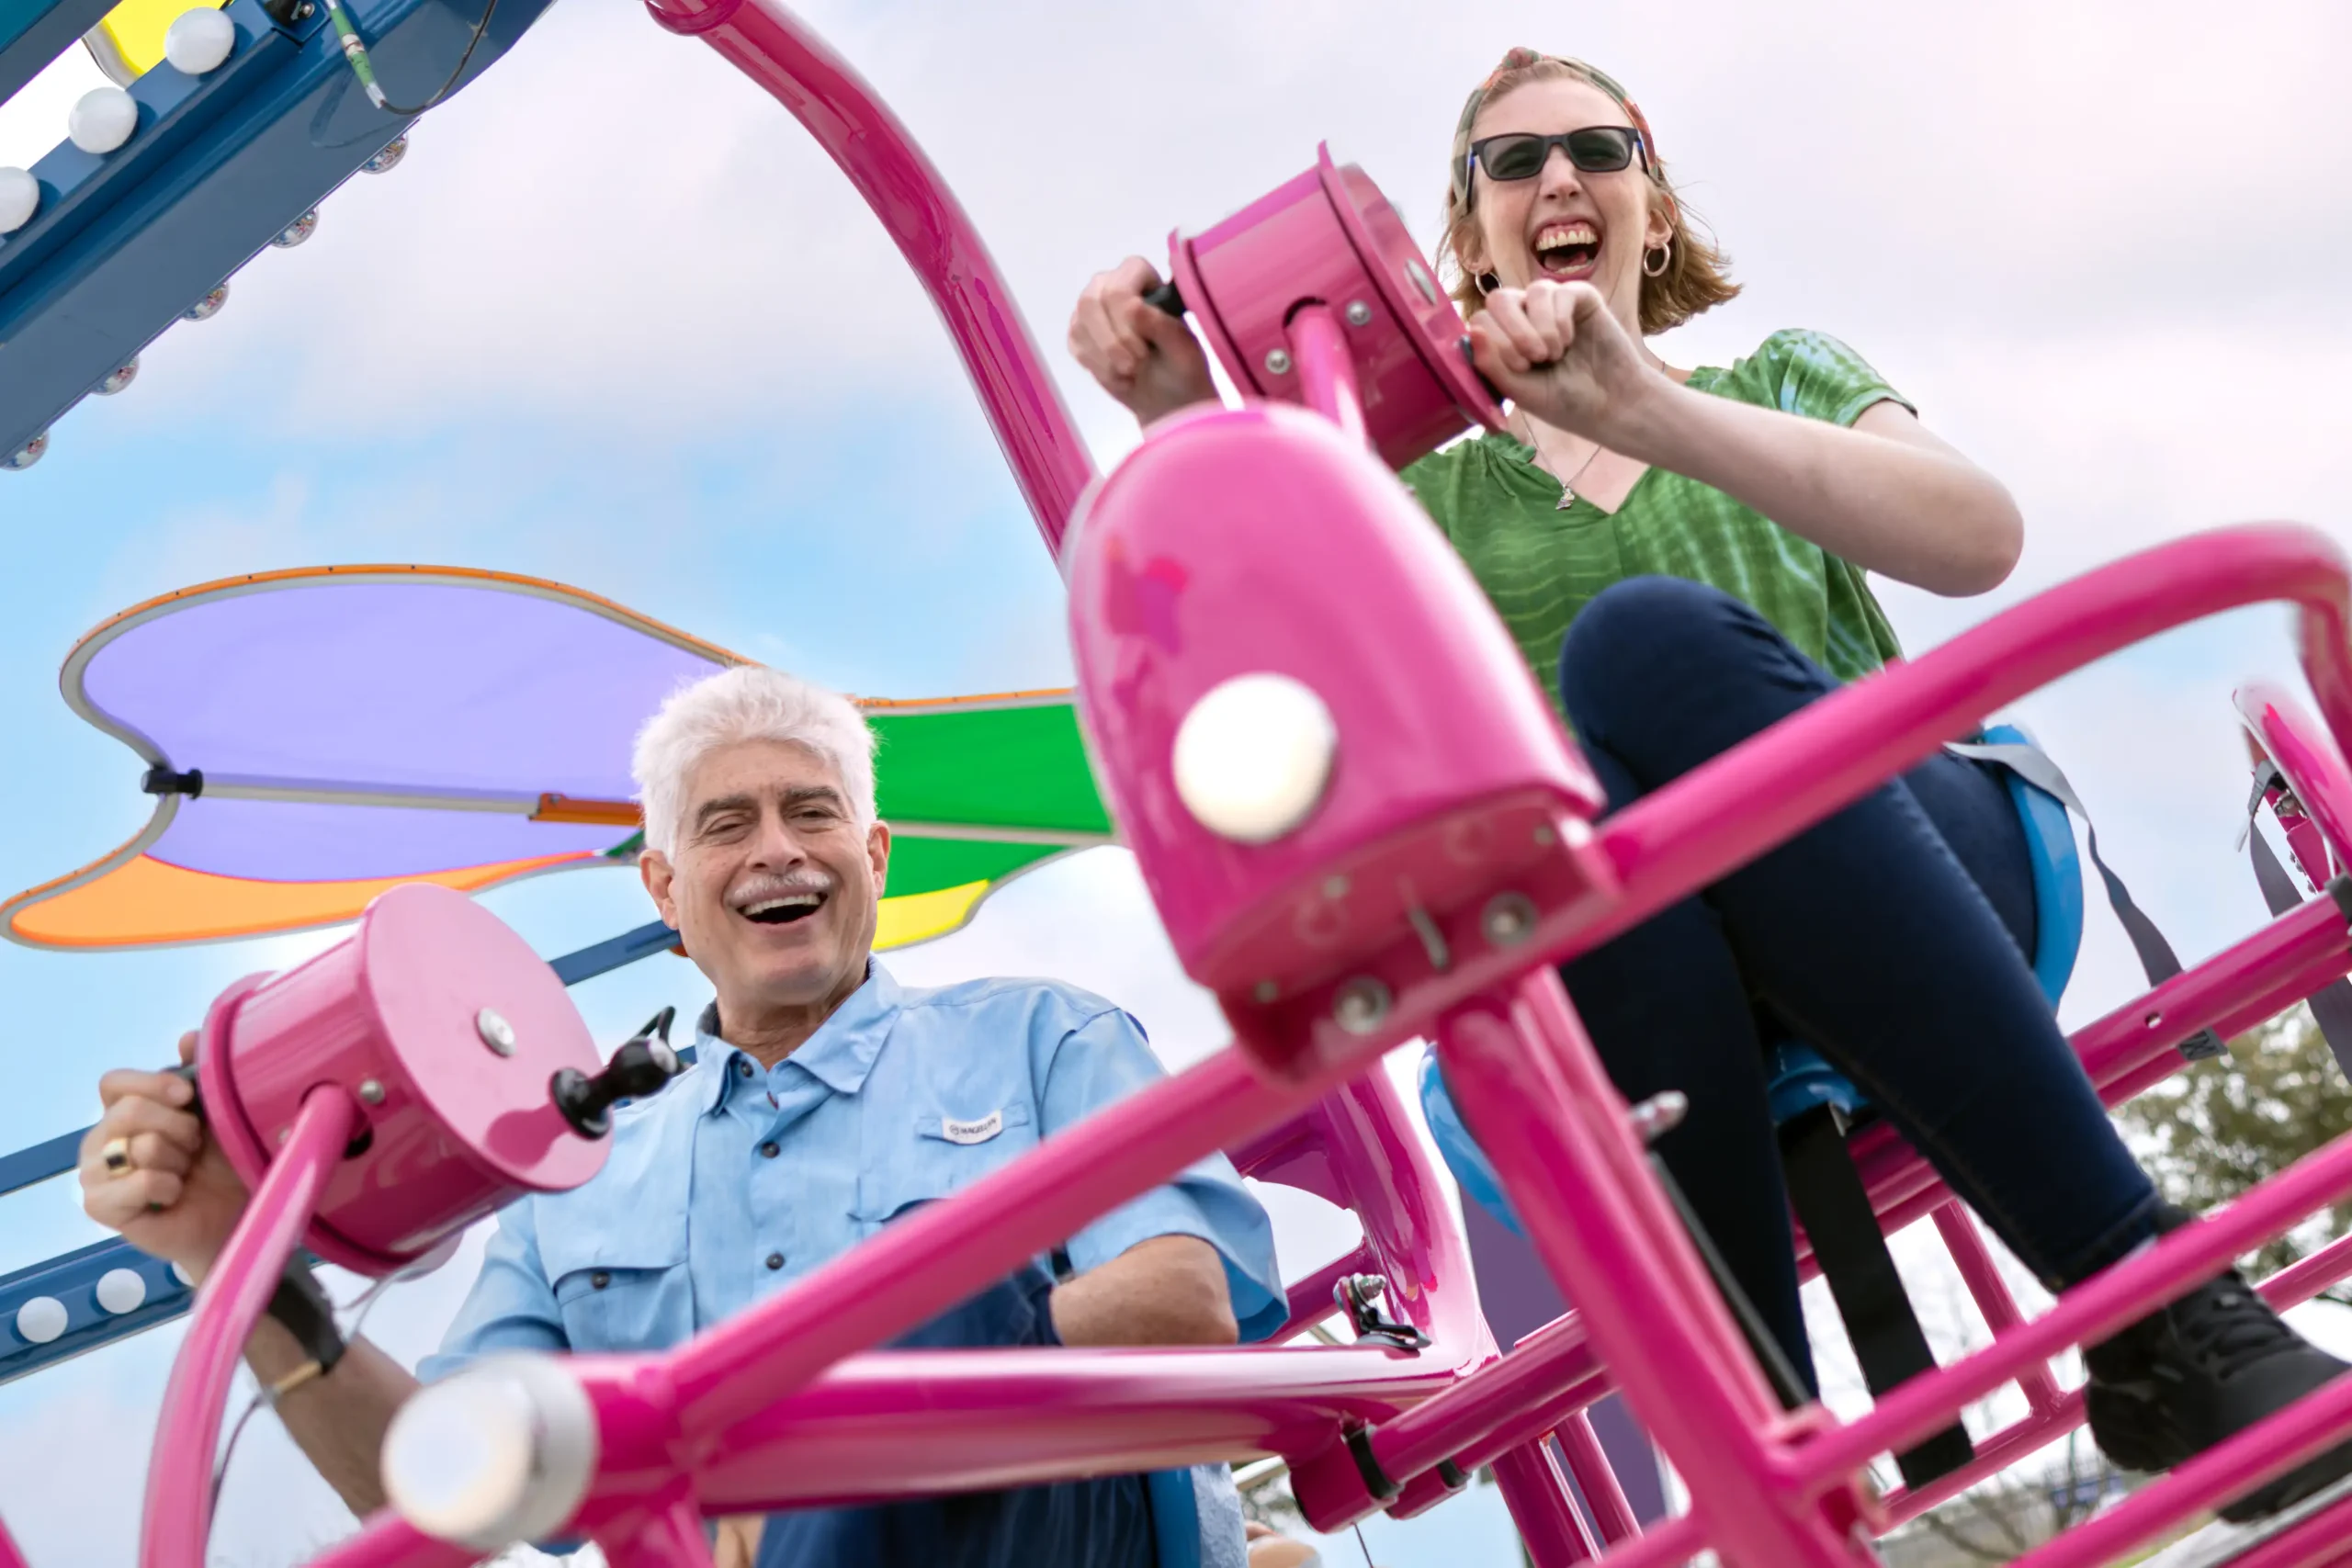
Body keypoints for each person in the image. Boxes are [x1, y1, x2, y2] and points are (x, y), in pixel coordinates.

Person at [1067, 45, 2352, 1520]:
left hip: (1915, 866)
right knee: (1591, 843)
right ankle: (1787, 1463)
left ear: (1653, 212)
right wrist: (1179, 428)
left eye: (1599, 152)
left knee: (1646, 644)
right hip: (1616, 972)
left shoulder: (1777, 379)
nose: (1559, 181)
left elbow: (1973, 535)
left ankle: (2135, 1306)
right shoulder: (1403, 501)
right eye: (1512, 164)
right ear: (1459, 242)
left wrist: (1649, 417)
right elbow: (1303, 720)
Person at [79, 663, 1283, 1566]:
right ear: (664, 889)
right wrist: (235, 1263)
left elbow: (1182, 1296)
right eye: (725, 825)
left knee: (952, 1293)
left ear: (874, 856)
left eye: (812, 815)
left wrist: (799, 1459)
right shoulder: (581, 1175)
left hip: (1053, 1535)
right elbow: (437, 1480)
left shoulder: (1039, 1038)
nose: (777, 852)